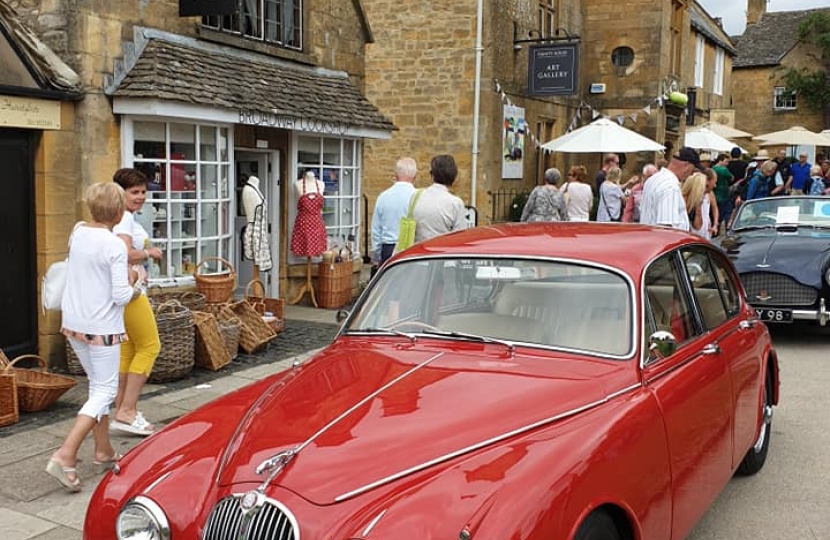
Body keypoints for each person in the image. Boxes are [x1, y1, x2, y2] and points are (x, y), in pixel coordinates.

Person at [47, 183, 137, 492]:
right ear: (118, 211)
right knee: (105, 391)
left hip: (74, 322)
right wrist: (136, 280)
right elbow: (121, 295)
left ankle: (103, 450)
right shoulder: (113, 245)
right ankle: (65, 454)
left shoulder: (78, 232)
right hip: (102, 327)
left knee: (97, 386)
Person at [110, 169, 163, 437]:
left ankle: (121, 408)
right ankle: (127, 411)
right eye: (135, 192)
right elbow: (122, 253)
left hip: (121, 290)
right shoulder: (125, 219)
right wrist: (149, 252)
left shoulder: (116, 216)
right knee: (151, 346)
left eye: (143, 192)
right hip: (131, 291)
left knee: (129, 349)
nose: (141, 197)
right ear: (121, 193)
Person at [640, 146, 702, 230]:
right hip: (662, 240)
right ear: (686, 165)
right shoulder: (670, 187)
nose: (691, 175)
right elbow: (665, 226)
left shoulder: (652, 179)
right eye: (692, 170)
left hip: (649, 236)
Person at [370, 157, 417, 267]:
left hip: (388, 248)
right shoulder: (418, 197)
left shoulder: (383, 197)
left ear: (395, 175)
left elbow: (376, 230)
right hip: (411, 247)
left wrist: (377, 255)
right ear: (415, 176)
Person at [410, 154, 467, 242]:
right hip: (441, 253)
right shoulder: (455, 203)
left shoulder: (416, 196)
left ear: (432, 175)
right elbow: (460, 238)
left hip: (417, 252)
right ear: (453, 176)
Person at [290, 170, 328, 257]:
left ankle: (310, 269)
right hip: (303, 223)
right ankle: (308, 269)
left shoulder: (321, 184)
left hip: (317, 223)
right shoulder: (298, 184)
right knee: (305, 246)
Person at [241, 175, 272, 271]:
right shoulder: (248, 191)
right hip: (254, 231)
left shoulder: (255, 189)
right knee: (256, 259)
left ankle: (257, 285)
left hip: (260, 231)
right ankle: (255, 285)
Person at [711, 153, 734, 231]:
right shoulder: (724, 169)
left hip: (714, 194)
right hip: (723, 194)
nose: (727, 164)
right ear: (721, 160)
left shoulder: (712, 168)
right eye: (726, 161)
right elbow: (731, 178)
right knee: (724, 212)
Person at [682, 171, 708, 237]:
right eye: (705, 186)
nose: (705, 190)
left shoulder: (694, 202)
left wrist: (698, 207)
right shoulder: (681, 201)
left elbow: (698, 226)